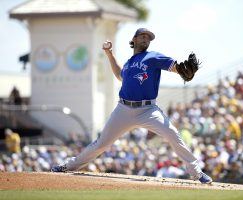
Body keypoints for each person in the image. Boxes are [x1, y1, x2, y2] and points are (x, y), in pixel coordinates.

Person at [51, 28, 212, 184]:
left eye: (148, 37)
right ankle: (69, 165)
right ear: (134, 40)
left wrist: (182, 70)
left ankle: (197, 172)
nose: (146, 39)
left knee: (173, 134)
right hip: (124, 109)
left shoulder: (153, 57)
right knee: (101, 144)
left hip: (148, 110)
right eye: (142, 35)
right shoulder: (129, 63)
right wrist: (109, 54)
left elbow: (176, 67)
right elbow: (119, 74)